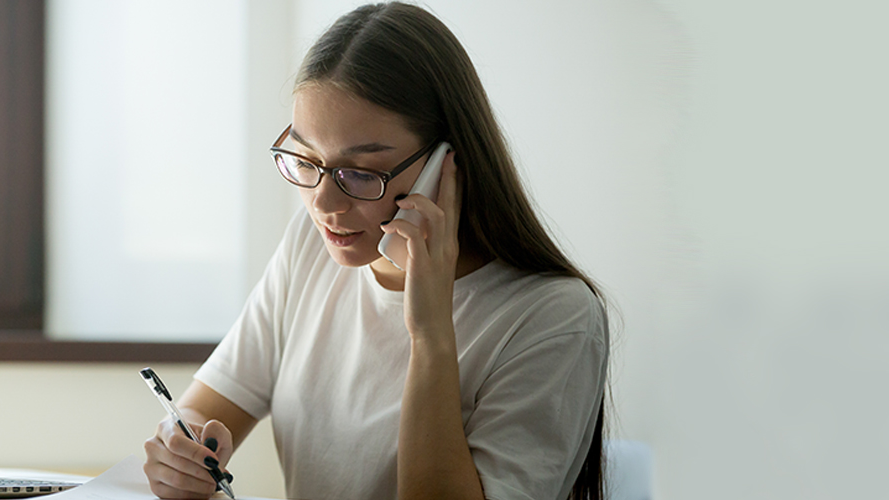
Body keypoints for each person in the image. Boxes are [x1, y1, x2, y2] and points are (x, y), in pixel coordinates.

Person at [142, 3, 609, 499]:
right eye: (306, 159)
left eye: (361, 173)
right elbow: (207, 408)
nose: (324, 203)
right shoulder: (311, 244)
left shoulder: (553, 317)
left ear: (445, 165)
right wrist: (181, 450)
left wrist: (429, 334)